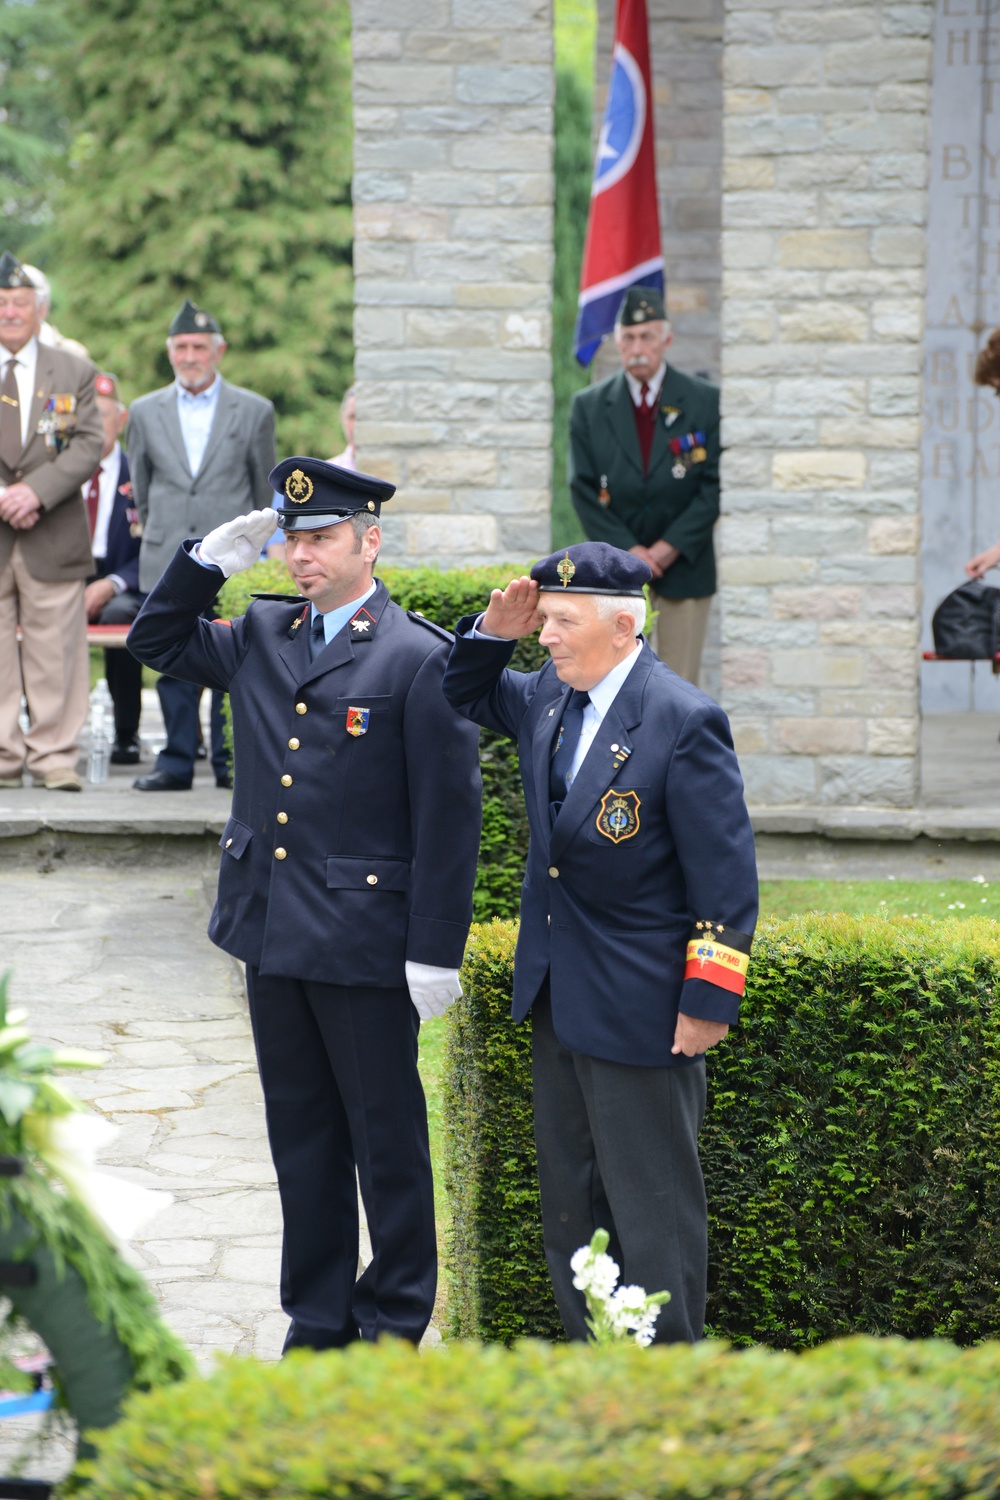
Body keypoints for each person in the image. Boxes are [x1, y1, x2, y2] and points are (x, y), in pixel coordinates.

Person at [127, 456, 482, 1349]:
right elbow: (155, 642)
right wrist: (204, 562)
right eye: (292, 539)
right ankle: (318, 1320)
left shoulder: (417, 658)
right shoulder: (263, 633)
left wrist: (435, 947)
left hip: (364, 943)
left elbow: (450, 819)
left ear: (370, 541)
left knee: (387, 1147)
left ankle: (395, 1320)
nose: (300, 555)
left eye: (321, 538)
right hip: (272, 931)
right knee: (304, 1146)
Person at [442, 541, 758, 1344]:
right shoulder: (551, 695)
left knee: (653, 1209)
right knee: (573, 1207)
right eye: (544, 620)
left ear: (623, 626)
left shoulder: (681, 719)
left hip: (644, 1007)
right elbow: (464, 690)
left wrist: (708, 1003)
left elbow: (725, 884)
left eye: (560, 622)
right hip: (558, 995)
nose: (545, 636)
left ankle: (669, 1385)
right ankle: (598, 1369)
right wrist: (493, 628)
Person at [125, 299, 276, 791]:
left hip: (230, 559)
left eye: (199, 347)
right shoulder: (144, 412)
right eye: (181, 347)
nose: (190, 356)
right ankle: (175, 761)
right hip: (171, 553)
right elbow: (142, 488)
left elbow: (261, 488)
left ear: (219, 351)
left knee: (233, 651)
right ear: (170, 352)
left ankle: (230, 760)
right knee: (172, 658)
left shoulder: (254, 410)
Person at [568, 287, 720, 686]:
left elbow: (712, 487)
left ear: (665, 340)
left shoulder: (704, 401)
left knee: (679, 686)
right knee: (616, 683)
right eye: (629, 338)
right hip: (618, 575)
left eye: (647, 337)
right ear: (618, 343)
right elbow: (582, 489)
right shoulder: (589, 406)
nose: (638, 347)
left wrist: (665, 551)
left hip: (684, 570)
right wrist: (633, 554)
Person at [0, 250, 103, 792]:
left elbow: (89, 442)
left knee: (56, 651)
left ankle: (53, 756)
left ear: (39, 309)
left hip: (52, 531)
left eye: (19, 302)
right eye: (2, 303)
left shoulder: (74, 370)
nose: (10, 312)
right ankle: (2, 756)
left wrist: (34, 492)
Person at [83, 373, 145, 764]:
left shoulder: (139, 473)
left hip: (122, 577)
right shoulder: (59, 470)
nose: (94, 424)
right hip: (64, 572)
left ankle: (126, 733)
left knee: (124, 616)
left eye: (102, 415)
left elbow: (157, 542)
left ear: (120, 421)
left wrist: (114, 582)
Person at [328, 385, 356, 469]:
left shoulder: (392, 471)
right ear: (343, 418)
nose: (357, 424)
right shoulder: (327, 472)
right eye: (352, 417)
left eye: (363, 417)